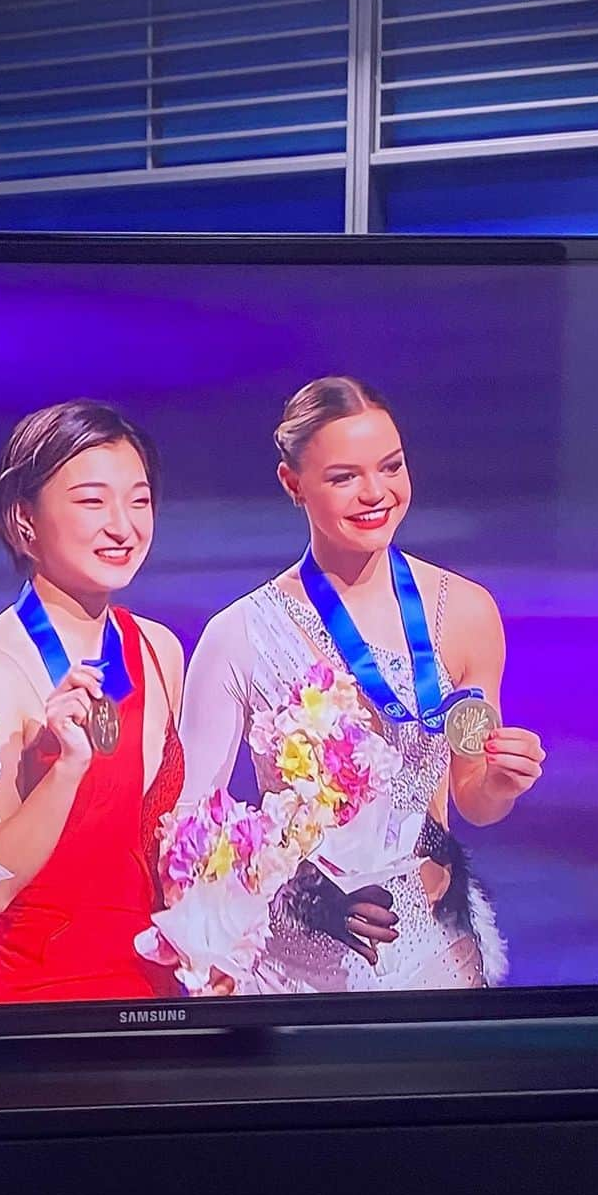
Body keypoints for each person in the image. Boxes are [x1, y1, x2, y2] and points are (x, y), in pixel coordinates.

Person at [178, 376, 545, 993]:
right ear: (291, 484)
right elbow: (191, 827)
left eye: (391, 467)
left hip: (434, 954)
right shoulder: (239, 633)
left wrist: (502, 782)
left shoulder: (465, 611)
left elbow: (473, 800)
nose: (376, 493)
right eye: (344, 477)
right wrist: (303, 893)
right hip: (292, 970)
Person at [0, 400, 184, 1004]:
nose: (123, 526)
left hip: (158, 1005)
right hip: (42, 1016)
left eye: (138, 500)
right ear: (23, 520)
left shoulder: (158, 649)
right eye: (91, 501)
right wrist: (69, 769)